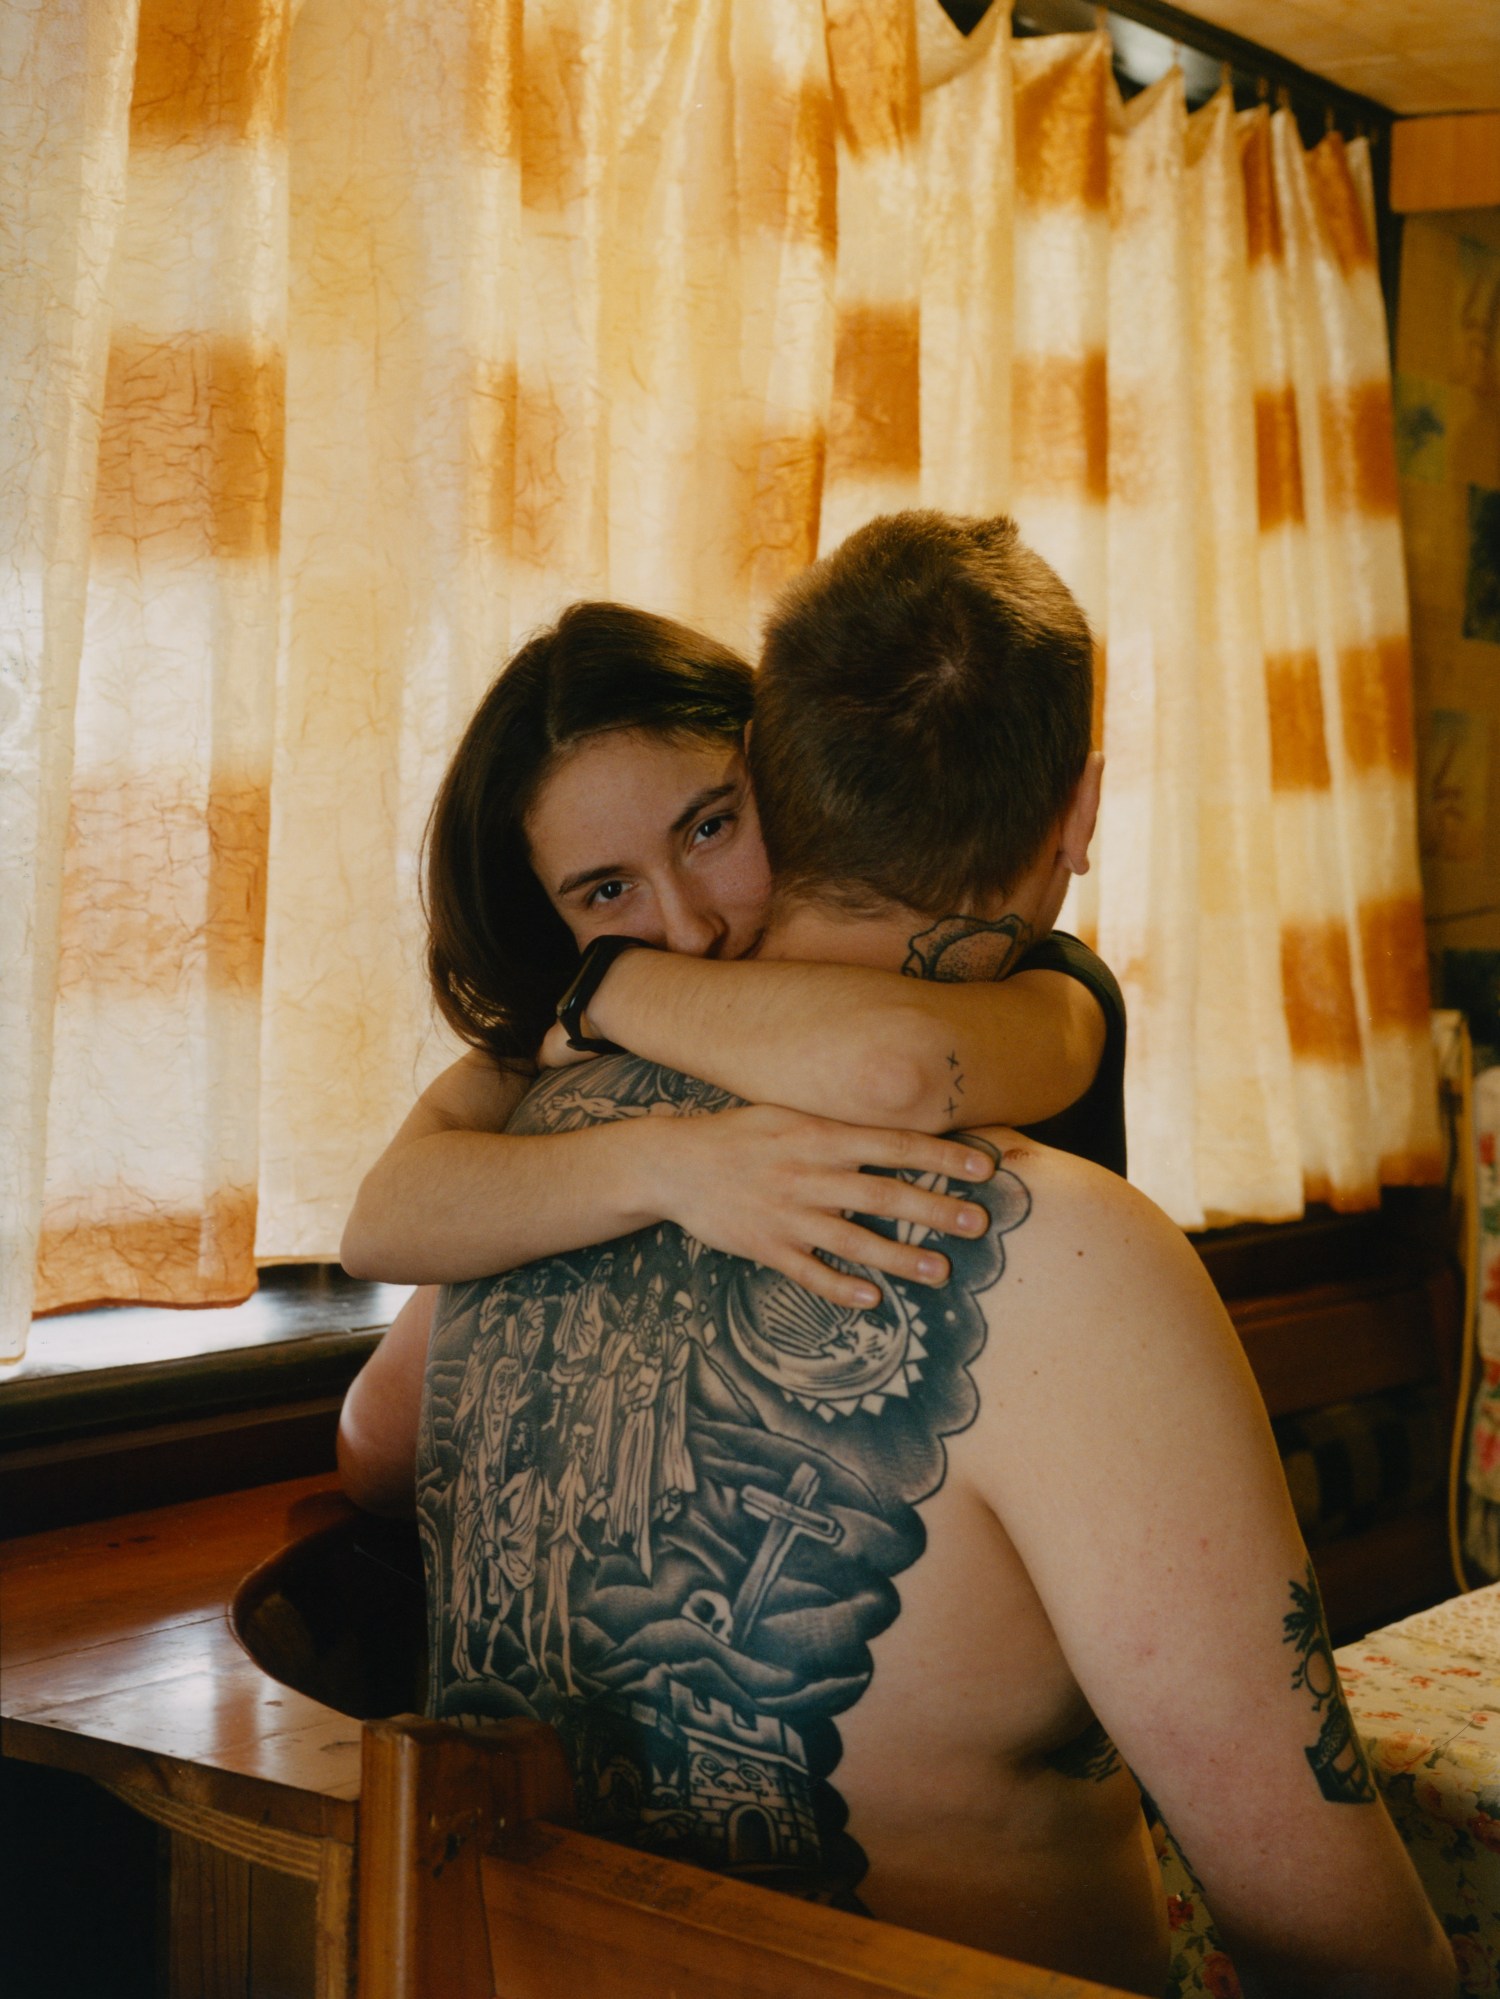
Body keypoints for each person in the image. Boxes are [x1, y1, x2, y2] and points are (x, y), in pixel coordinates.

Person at [418, 513, 1454, 1999]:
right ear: (1077, 810)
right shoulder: (1069, 1253)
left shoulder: (528, 1146)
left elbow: (383, 1432)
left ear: (774, 792)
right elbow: (1345, 1944)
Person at [338, 595, 1123, 1513]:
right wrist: (667, 1165)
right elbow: (377, 1281)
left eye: (709, 829)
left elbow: (897, 1064)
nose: (689, 927)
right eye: (606, 892)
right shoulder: (567, 1045)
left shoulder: (1022, 976)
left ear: (783, 775)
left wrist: (613, 988)